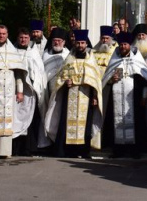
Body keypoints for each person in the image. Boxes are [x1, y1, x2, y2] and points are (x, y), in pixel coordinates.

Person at [44, 29, 103, 158]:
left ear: (86, 44)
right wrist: (65, 82)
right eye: (78, 43)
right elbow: (61, 77)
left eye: (82, 43)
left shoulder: (91, 60)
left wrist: (95, 97)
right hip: (70, 96)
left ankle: (83, 151)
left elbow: (95, 80)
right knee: (67, 124)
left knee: (85, 125)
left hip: (85, 97)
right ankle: (68, 151)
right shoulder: (69, 59)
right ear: (74, 43)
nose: (80, 45)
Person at [0, 25, 30, 159]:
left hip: (8, 90)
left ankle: (4, 150)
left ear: (7, 35)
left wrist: (19, 91)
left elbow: (18, 73)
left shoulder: (12, 51)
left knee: (7, 120)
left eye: (3, 34)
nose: (1, 36)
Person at [101, 32, 147, 157]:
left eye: (125, 44)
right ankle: (118, 150)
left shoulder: (137, 60)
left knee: (137, 123)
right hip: (116, 99)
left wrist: (144, 96)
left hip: (134, 99)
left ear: (129, 45)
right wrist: (111, 80)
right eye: (121, 44)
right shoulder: (114, 59)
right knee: (116, 121)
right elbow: (106, 80)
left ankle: (135, 150)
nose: (123, 47)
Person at [13, 27, 47, 156]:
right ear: (17, 38)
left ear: (29, 39)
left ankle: (29, 148)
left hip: (32, 91)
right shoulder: (13, 51)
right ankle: (15, 148)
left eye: (26, 38)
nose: (23, 40)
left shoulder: (33, 53)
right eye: (21, 37)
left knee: (31, 119)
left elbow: (39, 71)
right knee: (16, 118)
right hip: (16, 91)